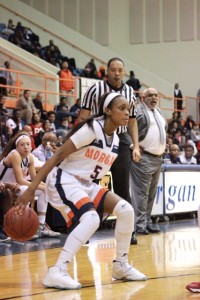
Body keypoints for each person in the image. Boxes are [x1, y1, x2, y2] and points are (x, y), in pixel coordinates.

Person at [15, 92, 147, 290]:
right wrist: (31, 188)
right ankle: (57, 270)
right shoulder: (92, 128)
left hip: (85, 183)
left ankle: (120, 265)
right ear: (108, 111)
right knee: (91, 219)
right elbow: (58, 155)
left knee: (126, 210)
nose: (127, 113)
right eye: (122, 108)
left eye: (128, 109)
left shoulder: (117, 141)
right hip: (64, 179)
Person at [79, 57, 141, 245]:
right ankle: (87, 229)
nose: (116, 73)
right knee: (92, 184)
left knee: (123, 186)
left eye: (120, 70)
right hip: (97, 137)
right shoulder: (94, 89)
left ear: (124, 72)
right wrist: (82, 141)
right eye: (113, 69)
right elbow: (83, 116)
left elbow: (132, 121)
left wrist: (136, 145)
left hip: (121, 140)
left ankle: (127, 231)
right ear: (107, 71)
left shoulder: (130, 91)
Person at [0, 132, 60, 239]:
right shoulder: (15, 155)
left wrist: (47, 187)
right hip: (4, 187)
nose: (26, 147)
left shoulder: (30, 157)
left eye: (28, 144)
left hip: (15, 188)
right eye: (22, 145)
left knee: (43, 191)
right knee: (28, 190)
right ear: (17, 147)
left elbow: (35, 179)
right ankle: (24, 227)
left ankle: (40, 226)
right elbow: (21, 180)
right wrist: (44, 187)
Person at [129, 87, 167, 235]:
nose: (153, 98)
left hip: (158, 158)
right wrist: (135, 147)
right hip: (144, 157)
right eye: (150, 95)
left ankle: (147, 221)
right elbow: (129, 128)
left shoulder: (159, 112)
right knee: (141, 194)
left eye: (156, 95)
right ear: (143, 97)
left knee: (151, 194)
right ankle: (139, 225)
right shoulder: (138, 110)